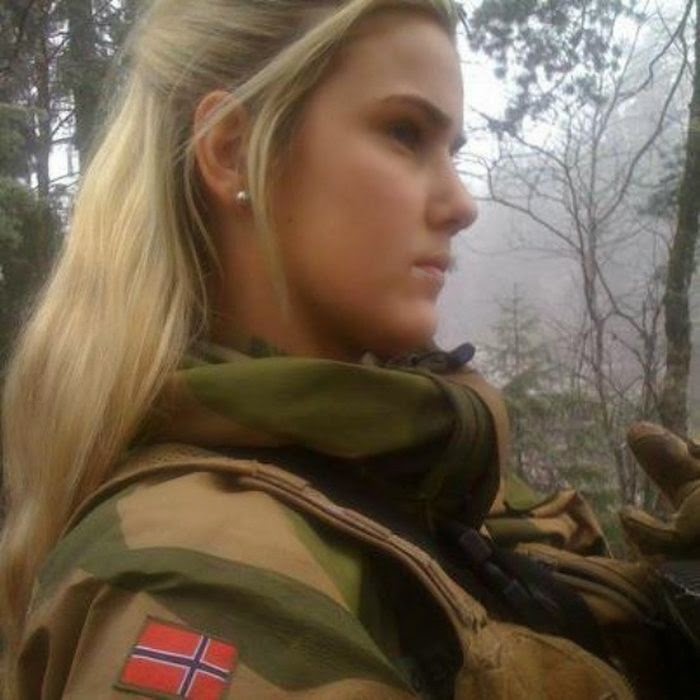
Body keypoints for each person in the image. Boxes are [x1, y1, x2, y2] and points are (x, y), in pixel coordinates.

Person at [0, 0, 697, 698]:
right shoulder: (199, 580)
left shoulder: (399, 465)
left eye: (452, 150)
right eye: (404, 132)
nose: (462, 204)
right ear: (233, 150)